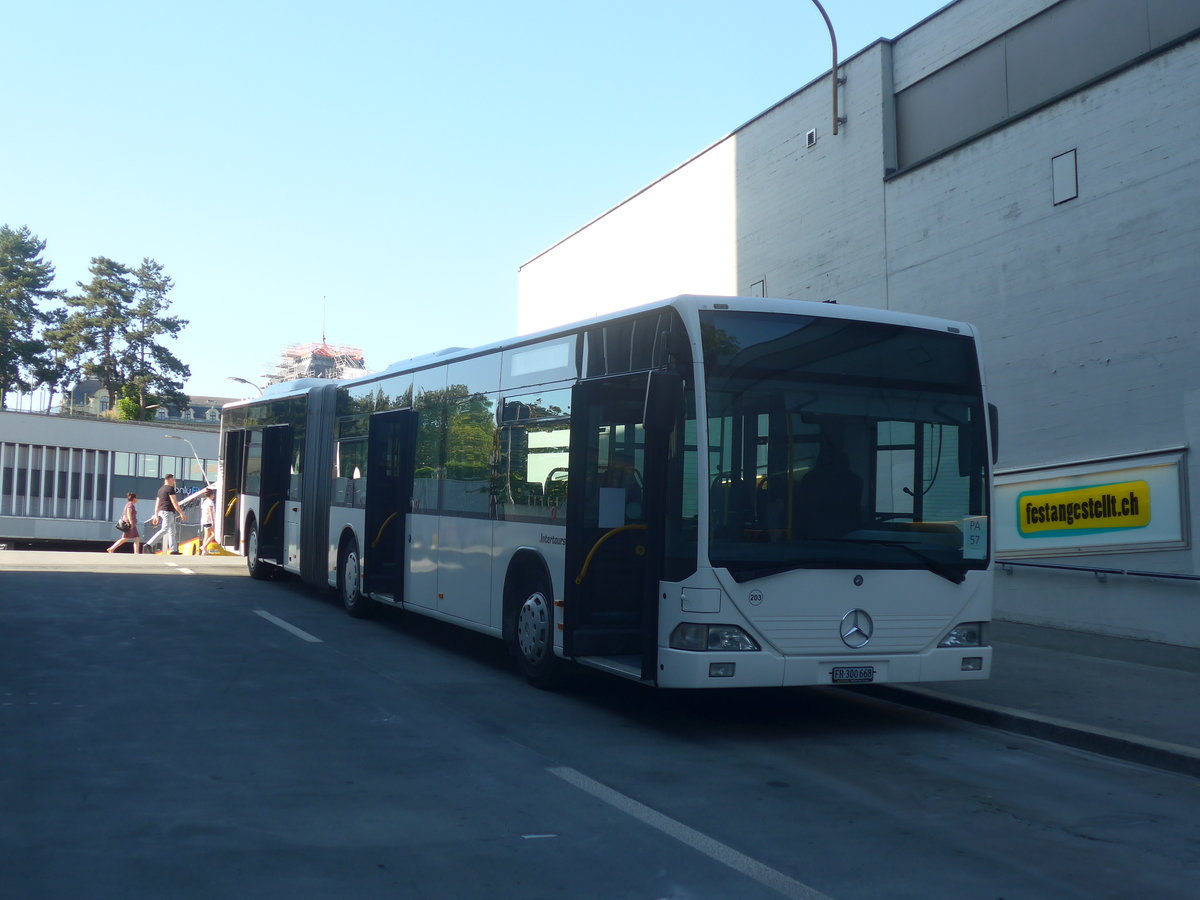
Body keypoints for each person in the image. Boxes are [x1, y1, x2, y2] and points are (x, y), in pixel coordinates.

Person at [144, 474, 187, 554]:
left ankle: (173, 549)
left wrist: (156, 515)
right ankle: (148, 544)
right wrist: (181, 513)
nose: (174, 481)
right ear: (169, 479)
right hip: (168, 512)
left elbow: (157, 504)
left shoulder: (160, 490)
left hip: (163, 511)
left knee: (172, 531)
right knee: (165, 529)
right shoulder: (170, 489)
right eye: (173, 479)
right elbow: (174, 502)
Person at [199, 486, 216, 554]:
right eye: (213, 494)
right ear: (211, 495)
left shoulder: (205, 502)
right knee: (215, 534)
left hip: (204, 521)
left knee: (207, 535)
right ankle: (204, 546)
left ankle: (204, 551)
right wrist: (212, 521)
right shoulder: (210, 502)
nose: (214, 496)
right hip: (209, 521)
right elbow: (210, 512)